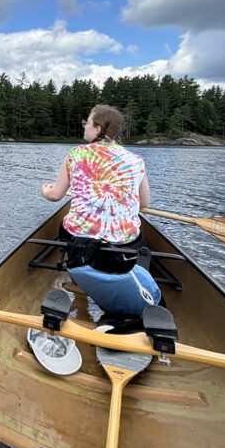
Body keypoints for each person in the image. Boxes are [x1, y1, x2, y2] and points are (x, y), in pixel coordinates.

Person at [41, 104, 159, 317]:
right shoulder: (136, 160)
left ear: (97, 129)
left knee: (66, 225)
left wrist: (45, 190)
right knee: (134, 233)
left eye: (87, 122)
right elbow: (144, 204)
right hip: (124, 249)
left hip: (80, 246)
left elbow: (56, 196)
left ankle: (77, 275)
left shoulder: (75, 154)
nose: (84, 126)